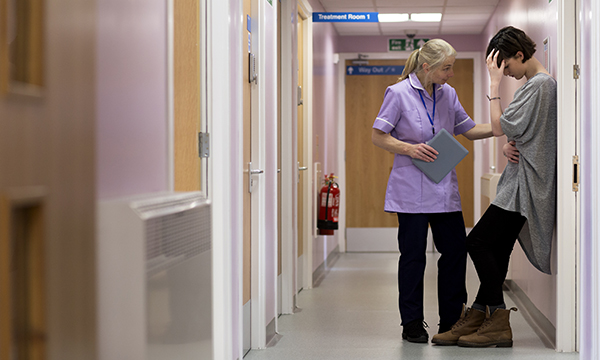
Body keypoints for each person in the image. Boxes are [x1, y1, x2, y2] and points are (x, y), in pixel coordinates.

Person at [432, 26, 557, 348]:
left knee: (476, 242)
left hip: (526, 185)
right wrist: (508, 145)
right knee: (498, 248)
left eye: (507, 66)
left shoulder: (541, 86)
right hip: (519, 181)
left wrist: (493, 85)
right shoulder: (535, 86)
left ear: (519, 54)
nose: (507, 73)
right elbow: (518, 133)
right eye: (501, 71)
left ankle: (497, 316)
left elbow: (501, 126)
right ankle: (478, 314)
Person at [371, 39, 492, 343]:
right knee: (413, 258)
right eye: (446, 68)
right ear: (427, 67)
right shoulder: (397, 93)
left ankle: (451, 321)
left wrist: (503, 128)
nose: (451, 74)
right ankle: (411, 323)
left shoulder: (448, 94)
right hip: (410, 190)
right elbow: (378, 136)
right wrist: (409, 148)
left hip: (443, 189)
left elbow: (469, 129)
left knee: (454, 253)